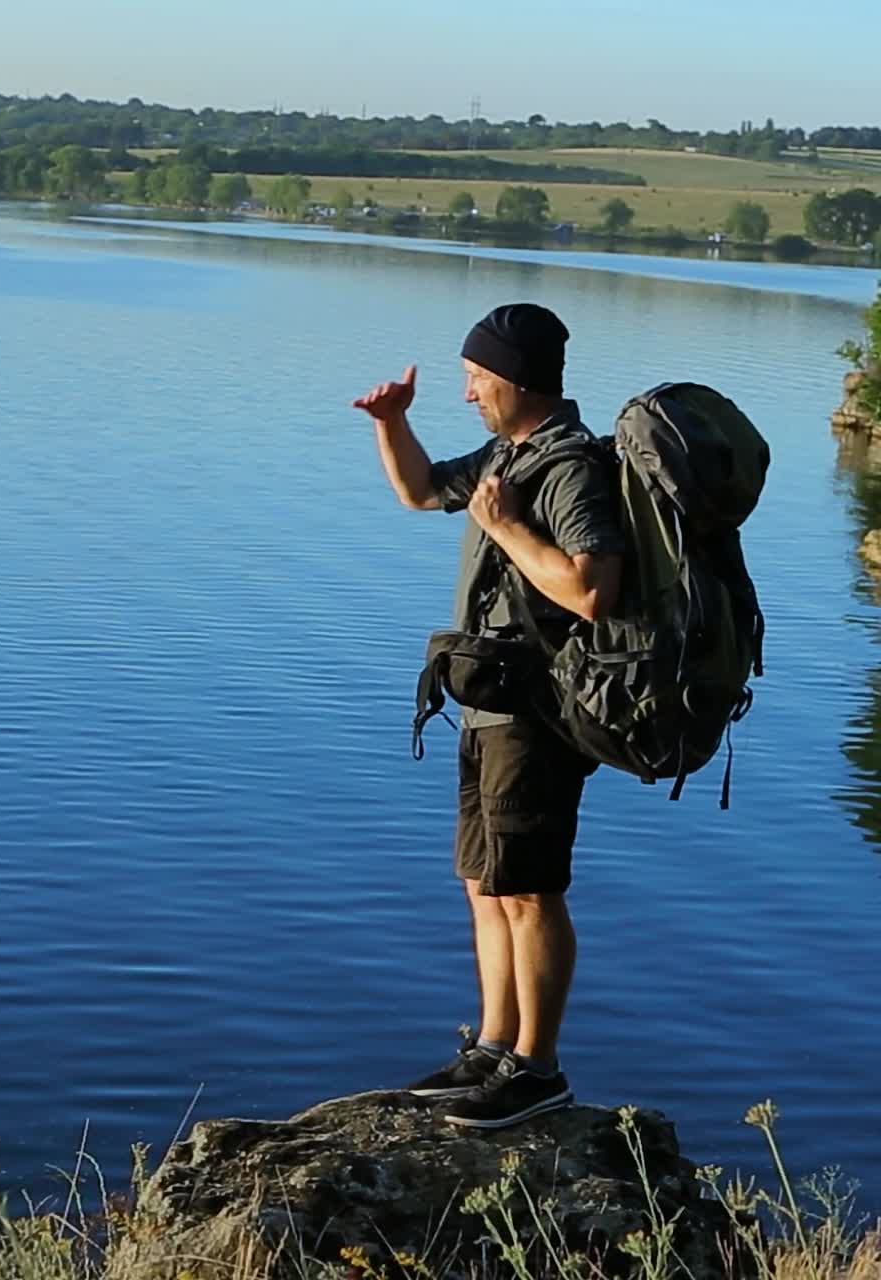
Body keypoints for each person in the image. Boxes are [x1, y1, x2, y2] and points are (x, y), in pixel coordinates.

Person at [352, 303, 623, 1129]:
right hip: (486, 708)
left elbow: (590, 589)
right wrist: (391, 425)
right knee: (485, 881)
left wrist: (506, 527)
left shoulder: (571, 467)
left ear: (513, 378)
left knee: (531, 889)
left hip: (539, 712)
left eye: (475, 378)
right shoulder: (513, 452)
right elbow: (420, 490)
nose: (467, 392)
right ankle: (494, 1049)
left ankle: (538, 1069)